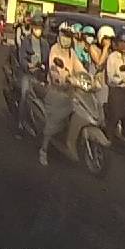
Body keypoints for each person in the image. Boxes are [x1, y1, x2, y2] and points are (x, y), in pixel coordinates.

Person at [41, 24, 88, 166]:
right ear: (59, 36)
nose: (66, 39)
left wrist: (87, 77)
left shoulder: (71, 53)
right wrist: (62, 78)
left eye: (68, 36)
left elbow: (79, 67)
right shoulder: (55, 49)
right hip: (56, 90)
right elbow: (54, 69)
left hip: (70, 91)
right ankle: (44, 149)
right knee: (54, 119)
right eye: (64, 35)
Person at [12, 12, 50, 137]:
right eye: (36, 27)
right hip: (27, 74)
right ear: (32, 27)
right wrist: (28, 65)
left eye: (40, 28)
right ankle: (20, 123)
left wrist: (45, 70)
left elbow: (47, 61)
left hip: (40, 75)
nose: (38, 30)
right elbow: (22, 58)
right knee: (25, 94)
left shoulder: (45, 44)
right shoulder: (26, 41)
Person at [104, 31, 125, 141]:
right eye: (121, 42)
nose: (123, 45)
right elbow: (111, 77)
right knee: (116, 114)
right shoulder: (112, 57)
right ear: (117, 43)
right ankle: (109, 138)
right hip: (117, 90)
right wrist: (121, 80)